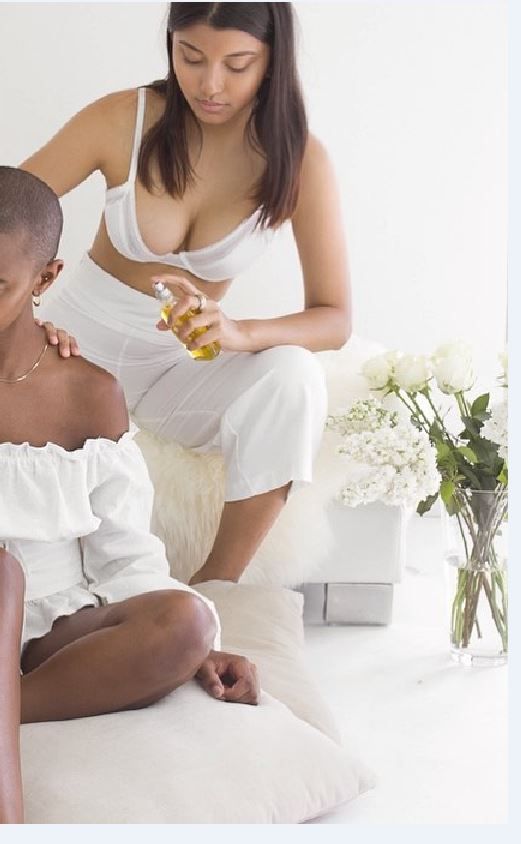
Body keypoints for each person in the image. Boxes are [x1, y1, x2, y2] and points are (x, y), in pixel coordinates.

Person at [22, 2, 352, 586]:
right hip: (71, 350)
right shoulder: (124, 118)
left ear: (273, 59)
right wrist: (24, 317)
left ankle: (217, 588)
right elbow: (10, 216)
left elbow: (334, 318)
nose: (210, 85)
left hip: (177, 371)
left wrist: (239, 332)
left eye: (237, 64)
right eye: (191, 57)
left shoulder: (300, 160)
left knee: (294, 377)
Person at [0, 166, 259, 825]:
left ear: (45, 280)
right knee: (2, 575)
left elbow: (125, 553)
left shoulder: (88, 393)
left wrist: (194, 649)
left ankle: (11, 705)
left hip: (52, 634)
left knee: (187, 621)